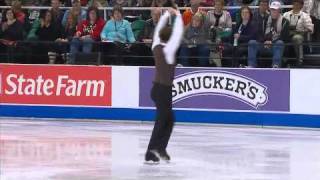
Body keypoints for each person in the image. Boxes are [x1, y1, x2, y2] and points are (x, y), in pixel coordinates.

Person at [145, 7, 183, 164]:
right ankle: (151, 152)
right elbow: (178, 32)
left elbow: (159, 29)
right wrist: (178, 15)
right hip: (163, 90)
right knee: (163, 121)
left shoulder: (156, 46)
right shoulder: (168, 50)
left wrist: (166, 14)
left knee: (168, 119)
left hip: (159, 89)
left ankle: (160, 148)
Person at [247, 1, 290, 68]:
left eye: (275, 10)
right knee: (252, 42)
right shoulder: (265, 19)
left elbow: (284, 37)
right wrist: (264, 41)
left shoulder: (285, 21)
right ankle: (251, 65)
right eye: (272, 9)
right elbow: (259, 33)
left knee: (280, 43)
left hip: (275, 46)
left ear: (279, 10)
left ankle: (276, 65)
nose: (273, 11)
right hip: (263, 44)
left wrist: (272, 42)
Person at [283, 0, 314, 65]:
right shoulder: (286, 14)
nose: (296, 5)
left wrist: (300, 31)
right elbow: (281, 25)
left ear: (301, 6)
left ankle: (300, 61)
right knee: (281, 38)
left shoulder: (305, 16)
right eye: (295, 3)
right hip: (287, 34)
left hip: (300, 34)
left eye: (298, 4)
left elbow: (311, 29)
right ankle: (283, 60)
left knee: (297, 38)